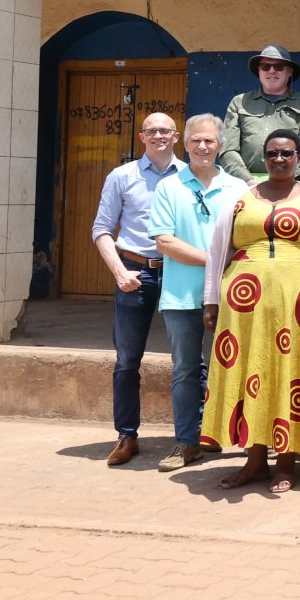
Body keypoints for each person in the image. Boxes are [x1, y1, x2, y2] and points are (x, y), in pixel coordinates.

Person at [201, 128, 300, 493]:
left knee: (293, 373)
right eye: (272, 154)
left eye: (286, 153)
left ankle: (286, 462)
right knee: (252, 372)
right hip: (244, 307)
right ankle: (254, 461)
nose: (279, 159)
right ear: (263, 159)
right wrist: (211, 300)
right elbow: (217, 251)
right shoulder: (240, 199)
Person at [147, 113, 244, 472]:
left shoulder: (238, 189)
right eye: (196, 140)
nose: (202, 146)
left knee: (235, 367)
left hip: (232, 295)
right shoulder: (169, 187)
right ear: (185, 144)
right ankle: (187, 442)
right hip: (181, 296)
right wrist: (213, 260)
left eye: (209, 141)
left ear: (220, 145)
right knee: (186, 371)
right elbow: (164, 241)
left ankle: (237, 438)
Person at [92, 111, 184, 466]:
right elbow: (102, 229)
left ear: (176, 136)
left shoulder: (189, 176)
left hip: (178, 271)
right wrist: (119, 271)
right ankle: (126, 434)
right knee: (128, 359)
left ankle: (192, 435)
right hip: (135, 271)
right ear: (142, 137)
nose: (159, 136)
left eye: (165, 131)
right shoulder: (122, 176)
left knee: (189, 359)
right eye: (152, 131)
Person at [220, 45, 300, 181]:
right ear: (259, 71)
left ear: (290, 71)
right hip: (244, 184)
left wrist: (280, 181)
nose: (272, 71)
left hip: (289, 184)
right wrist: (247, 180)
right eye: (265, 66)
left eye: (279, 67)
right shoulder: (239, 102)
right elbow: (228, 149)